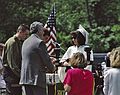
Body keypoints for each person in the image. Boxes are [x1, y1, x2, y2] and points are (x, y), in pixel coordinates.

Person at [19, 21, 55, 95]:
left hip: (25, 79)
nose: (43, 32)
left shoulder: (25, 42)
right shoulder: (39, 43)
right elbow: (46, 61)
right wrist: (53, 68)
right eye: (42, 30)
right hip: (36, 79)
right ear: (38, 31)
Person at [2, 24, 29, 95]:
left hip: (15, 74)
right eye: (25, 34)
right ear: (20, 32)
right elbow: (12, 64)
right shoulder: (12, 43)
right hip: (11, 74)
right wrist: (22, 76)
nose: (26, 37)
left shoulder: (19, 42)